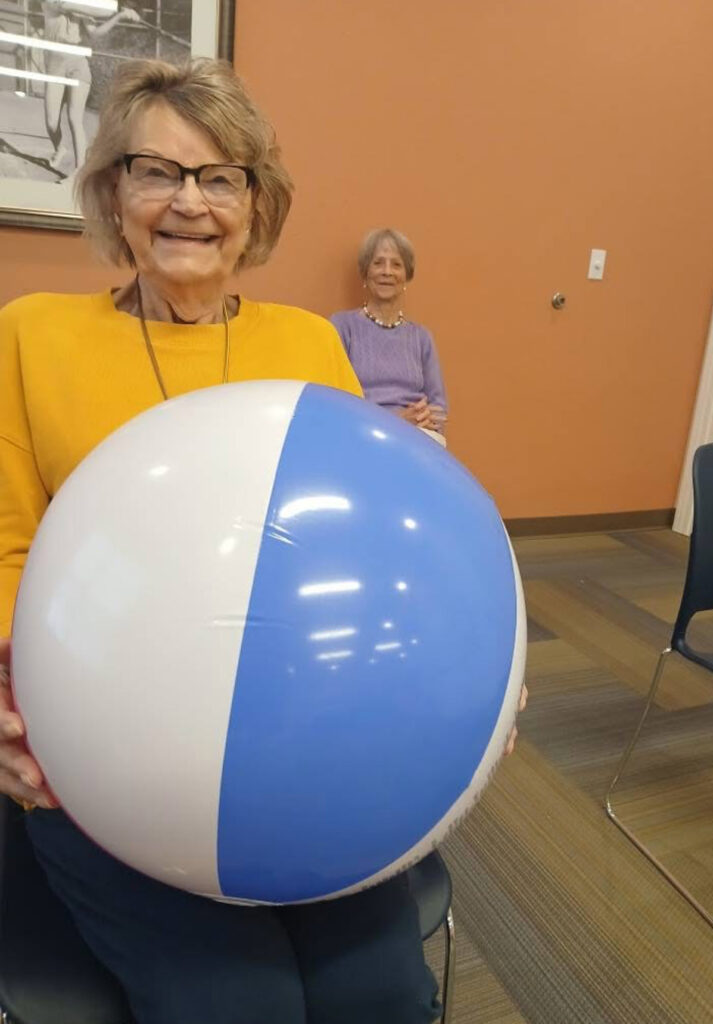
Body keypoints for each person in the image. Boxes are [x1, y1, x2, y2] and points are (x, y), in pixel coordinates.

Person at [0, 58, 442, 1024]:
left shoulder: (308, 346)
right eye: (156, 171)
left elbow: (368, 550)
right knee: (240, 1006)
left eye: (220, 176)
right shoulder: (31, 336)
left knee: (384, 994)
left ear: (257, 202)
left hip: (304, 748)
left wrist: (458, 652)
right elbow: (5, 553)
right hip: (106, 764)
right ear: (113, 193)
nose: (188, 202)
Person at [331, 228, 448, 446]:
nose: (387, 271)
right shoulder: (342, 327)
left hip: (417, 441)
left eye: (396, 264)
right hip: (362, 439)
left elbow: (439, 407)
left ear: (406, 276)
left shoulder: (421, 338)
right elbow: (336, 402)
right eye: (378, 263)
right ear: (365, 272)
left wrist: (426, 418)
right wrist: (397, 421)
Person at [41, 1, 142, 173]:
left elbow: (95, 33)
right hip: (54, 63)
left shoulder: (81, 5)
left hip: (78, 63)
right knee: (51, 123)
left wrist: (118, 17)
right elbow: (70, 7)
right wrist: (118, 11)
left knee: (75, 118)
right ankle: (59, 148)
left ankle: (79, 172)